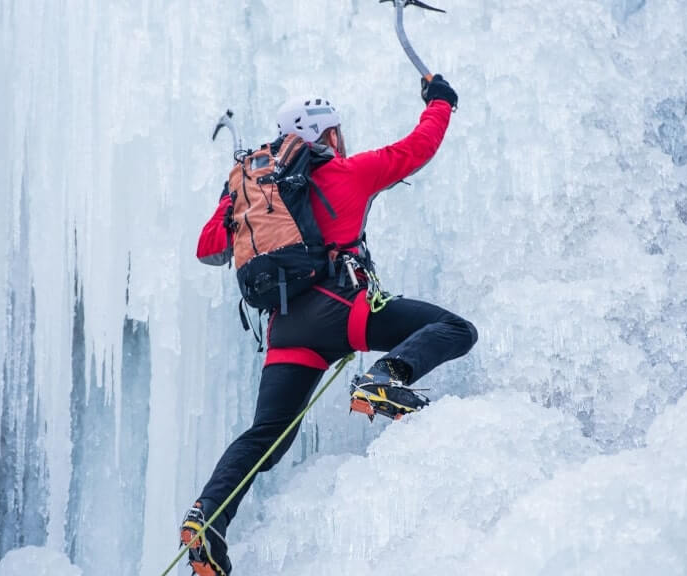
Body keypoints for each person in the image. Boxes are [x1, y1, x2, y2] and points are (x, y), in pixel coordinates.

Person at [182, 76, 477, 576]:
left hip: (288, 330)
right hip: (343, 310)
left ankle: (206, 519)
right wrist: (441, 103)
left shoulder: (252, 193)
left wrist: (231, 199)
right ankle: (385, 377)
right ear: (327, 135)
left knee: (265, 438)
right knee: (456, 329)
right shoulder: (348, 173)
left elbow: (209, 247)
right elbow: (418, 147)